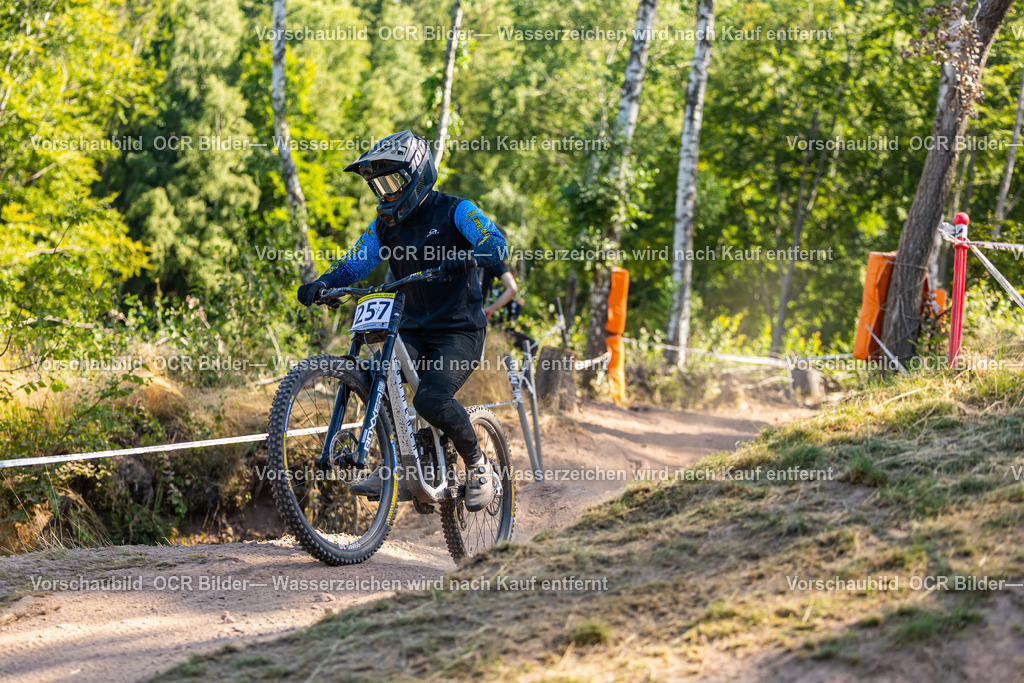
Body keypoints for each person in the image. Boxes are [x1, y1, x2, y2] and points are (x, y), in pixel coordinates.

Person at [296, 131, 507, 512]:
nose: (387, 192)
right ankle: (398, 466)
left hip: (458, 330)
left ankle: (479, 466)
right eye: (379, 185)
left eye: (393, 181)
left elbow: (496, 242)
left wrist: (468, 256)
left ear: (418, 174)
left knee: (431, 398)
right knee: (382, 379)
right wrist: (325, 283)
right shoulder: (385, 225)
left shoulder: (456, 210)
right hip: (410, 326)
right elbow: (355, 262)